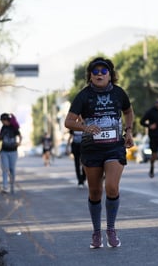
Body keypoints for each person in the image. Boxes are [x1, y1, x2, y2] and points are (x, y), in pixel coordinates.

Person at [64, 57, 134, 249]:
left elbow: (128, 112)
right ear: (90, 76)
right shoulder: (83, 96)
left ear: (110, 74)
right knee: (95, 191)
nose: (100, 74)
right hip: (91, 149)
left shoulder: (119, 93)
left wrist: (128, 131)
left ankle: (111, 229)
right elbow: (68, 122)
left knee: (112, 187)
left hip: (114, 147)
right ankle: (96, 232)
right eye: (95, 71)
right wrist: (85, 127)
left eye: (104, 71)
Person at [0, 113, 22, 194]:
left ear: (5, 120)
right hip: (4, 151)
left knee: (12, 169)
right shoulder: (3, 128)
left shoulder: (14, 128)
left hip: (13, 151)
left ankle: (12, 186)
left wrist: (19, 143)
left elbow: (20, 136)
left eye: (2, 121)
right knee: (5, 169)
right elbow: (0, 139)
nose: (2, 122)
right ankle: (5, 187)